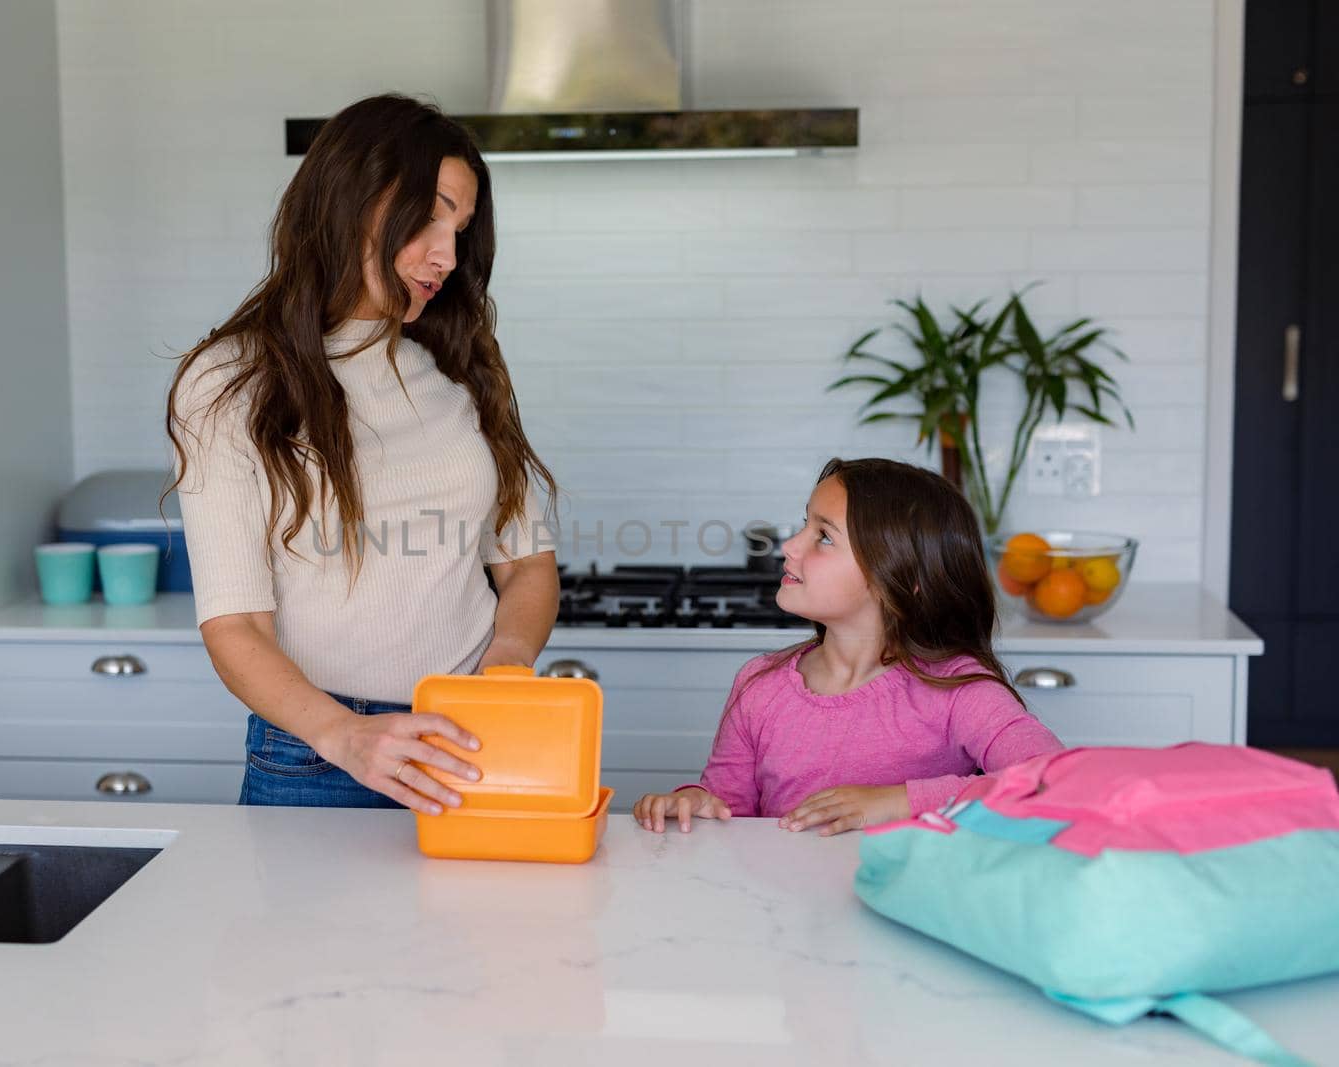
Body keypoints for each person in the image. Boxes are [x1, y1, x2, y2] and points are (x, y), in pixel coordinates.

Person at [166, 94, 559, 814]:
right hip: (315, 758)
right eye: (433, 213)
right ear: (356, 197)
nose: (447, 254)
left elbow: (527, 563)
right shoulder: (230, 381)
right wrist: (346, 737)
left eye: (461, 229)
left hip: (470, 742)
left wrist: (505, 663)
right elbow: (235, 626)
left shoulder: (457, 369)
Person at [634, 457, 1063, 835]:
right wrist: (695, 802)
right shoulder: (758, 684)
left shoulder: (960, 692)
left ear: (901, 578)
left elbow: (1054, 782)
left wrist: (899, 802)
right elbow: (728, 812)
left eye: (823, 536)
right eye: (805, 524)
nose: (789, 546)